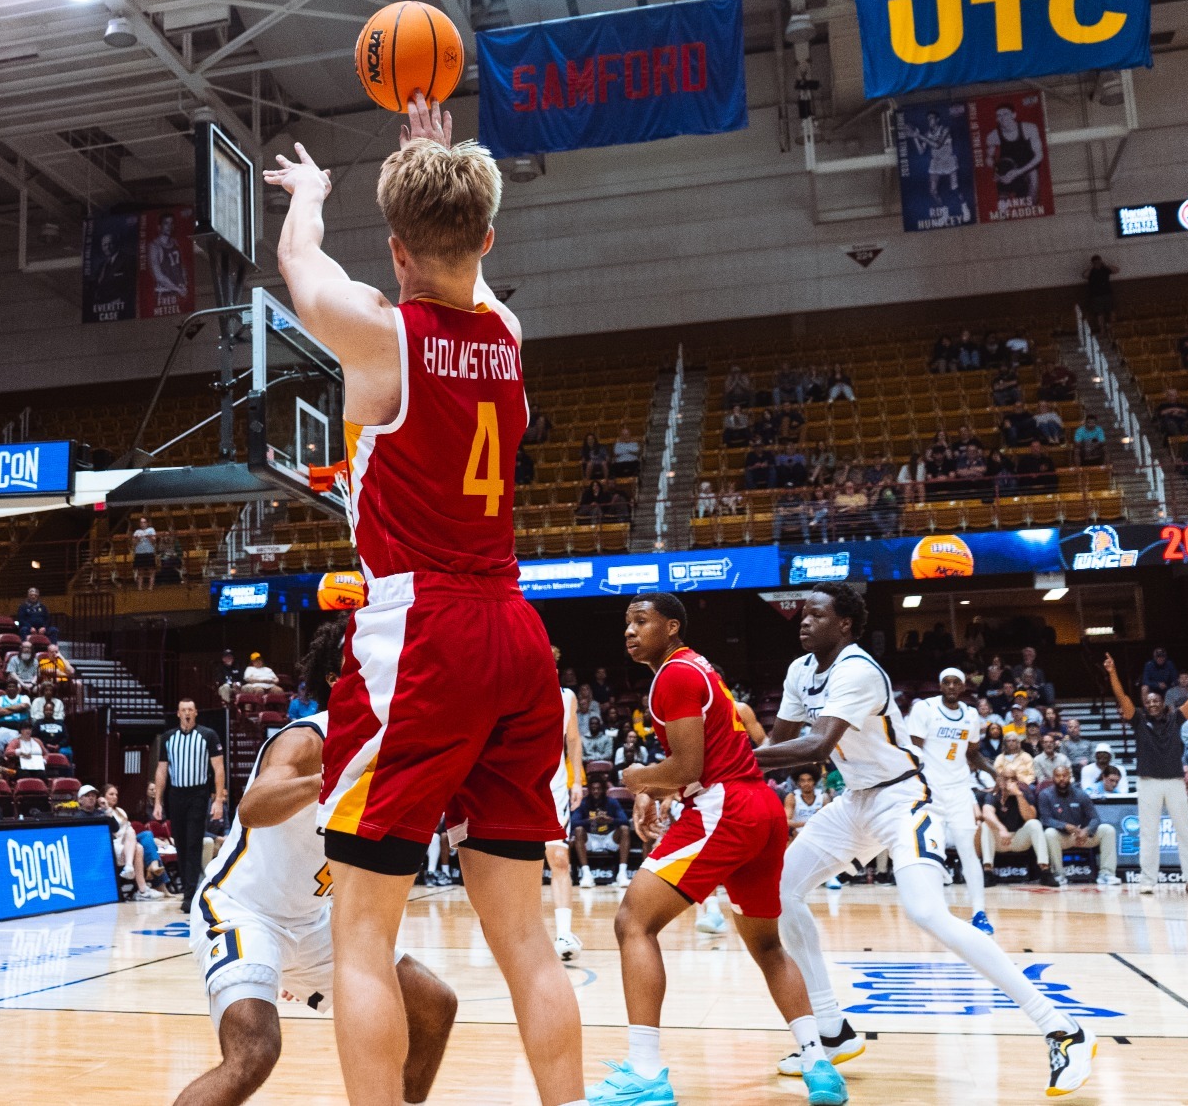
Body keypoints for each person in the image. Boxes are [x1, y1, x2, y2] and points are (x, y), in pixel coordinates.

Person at [270, 94, 581, 1106]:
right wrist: (431, 165)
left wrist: (310, 198)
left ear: (395, 250)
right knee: (526, 937)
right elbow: (461, 262)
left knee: (362, 936)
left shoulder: (378, 339)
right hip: (515, 631)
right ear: (486, 236)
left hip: (420, 632)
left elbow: (300, 269)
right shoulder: (508, 329)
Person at [751, 584, 1096, 1095]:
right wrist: (721, 767)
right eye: (802, 614)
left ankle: (1064, 1029)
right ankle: (831, 1030)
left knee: (927, 913)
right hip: (856, 801)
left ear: (844, 623)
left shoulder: (858, 670)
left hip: (903, 799)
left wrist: (720, 764)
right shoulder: (801, 670)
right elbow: (778, 742)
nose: (803, 621)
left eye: (816, 614)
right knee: (781, 891)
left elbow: (818, 745)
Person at [176, 619, 456, 1106]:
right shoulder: (306, 738)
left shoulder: (394, 746)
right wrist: (327, 781)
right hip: (242, 909)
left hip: (315, 923)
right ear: (339, 679)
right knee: (254, 1054)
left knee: (434, 1006)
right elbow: (253, 808)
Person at [591, 592, 844, 1106]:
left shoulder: (676, 675)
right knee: (768, 947)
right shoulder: (697, 670)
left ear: (673, 627)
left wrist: (637, 778)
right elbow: (697, 766)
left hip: (725, 807)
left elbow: (688, 768)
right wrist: (660, 792)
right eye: (626, 623)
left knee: (633, 922)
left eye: (642, 621)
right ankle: (820, 1066)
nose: (630, 631)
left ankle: (645, 1072)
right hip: (759, 808)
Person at [907, 666, 991, 932]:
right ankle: (937, 913)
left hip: (959, 790)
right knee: (934, 851)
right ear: (941, 686)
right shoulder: (925, 709)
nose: (952, 687)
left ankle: (980, 913)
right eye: (947, 682)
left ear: (963, 687)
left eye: (957, 683)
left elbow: (974, 754)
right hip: (930, 791)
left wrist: (995, 773)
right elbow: (912, 749)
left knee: (968, 850)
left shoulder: (971, 715)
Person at [154, 699, 225, 912]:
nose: (187, 713)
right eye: (183, 710)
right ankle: (188, 887)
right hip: (176, 795)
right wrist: (157, 801)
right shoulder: (168, 738)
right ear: (178, 713)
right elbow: (161, 771)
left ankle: (190, 893)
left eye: (190, 710)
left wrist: (218, 800)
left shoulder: (208, 735)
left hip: (198, 794)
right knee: (182, 843)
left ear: (195, 713)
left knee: (194, 842)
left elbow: (219, 769)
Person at [545, 649, 587, 961]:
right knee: (522, 866)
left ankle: (563, 933)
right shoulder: (511, 691)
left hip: (555, 786)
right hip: (519, 788)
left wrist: (576, 780)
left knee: (559, 858)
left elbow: (573, 740)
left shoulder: (566, 697)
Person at [1033, 767, 1117, 886]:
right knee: (1049, 833)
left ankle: (1107, 874)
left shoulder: (1081, 794)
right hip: (1062, 837)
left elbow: (1095, 818)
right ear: (1053, 778)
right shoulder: (1045, 795)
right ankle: (1058, 875)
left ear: (1070, 777)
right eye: (1058, 776)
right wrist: (1064, 826)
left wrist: (1087, 830)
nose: (1061, 779)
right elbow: (1045, 819)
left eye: (1065, 775)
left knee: (1108, 830)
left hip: (1082, 836)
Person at [981, 766, 1052, 881]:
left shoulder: (1024, 793)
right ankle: (988, 871)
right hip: (1000, 839)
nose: (1008, 782)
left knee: (1035, 824)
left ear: (1016, 781)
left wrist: (1019, 795)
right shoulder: (993, 795)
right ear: (999, 780)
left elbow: (1030, 817)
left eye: (1012, 779)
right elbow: (986, 813)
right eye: (1005, 778)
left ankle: (1045, 870)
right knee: (985, 825)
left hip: (1018, 839)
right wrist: (1001, 828)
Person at [132, 516, 159, 591]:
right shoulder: (137, 531)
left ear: (147, 523)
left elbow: (154, 541)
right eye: (141, 522)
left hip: (149, 552)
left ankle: (150, 587)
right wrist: (137, 539)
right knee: (140, 571)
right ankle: (139, 587)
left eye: (144, 522)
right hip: (139, 553)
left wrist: (149, 537)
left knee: (151, 571)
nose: (143, 524)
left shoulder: (151, 530)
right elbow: (133, 543)